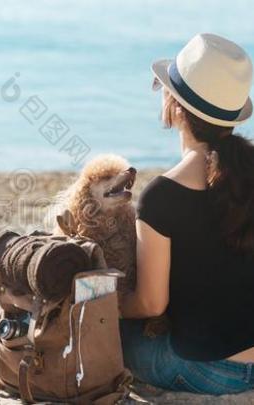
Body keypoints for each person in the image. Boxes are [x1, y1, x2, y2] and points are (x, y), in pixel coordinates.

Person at [119, 33, 254, 395]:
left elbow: (150, 303)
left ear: (176, 107)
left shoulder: (162, 196)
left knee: (111, 334)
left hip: (209, 370)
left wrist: (111, 305)